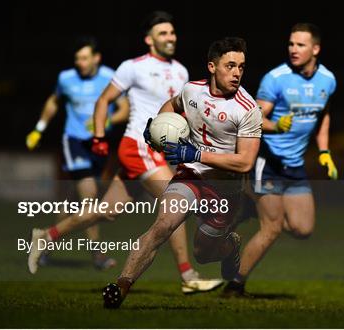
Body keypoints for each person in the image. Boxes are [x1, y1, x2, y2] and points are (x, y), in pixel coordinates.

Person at [27, 11, 222, 294]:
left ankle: (46, 236)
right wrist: (98, 136)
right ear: (149, 39)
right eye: (164, 33)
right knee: (177, 202)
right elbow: (105, 99)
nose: (171, 37)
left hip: (159, 152)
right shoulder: (133, 67)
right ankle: (188, 275)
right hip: (138, 146)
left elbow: (180, 113)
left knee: (106, 212)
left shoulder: (181, 71)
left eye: (172, 32)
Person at [101, 36, 263, 309]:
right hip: (190, 177)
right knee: (162, 226)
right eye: (230, 65)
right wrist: (157, 128)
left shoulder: (248, 109)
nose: (237, 73)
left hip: (225, 190)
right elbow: (172, 107)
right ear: (212, 67)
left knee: (203, 253)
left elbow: (245, 162)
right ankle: (121, 285)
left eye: (241, 67)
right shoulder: (192, 91)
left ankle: (230, 246)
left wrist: (198, 154)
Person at [222, 23, 338, 296]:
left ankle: (250, 208)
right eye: (291, 44)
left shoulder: (328, 80)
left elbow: (324, 115)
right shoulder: (276, 78)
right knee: (272, 227)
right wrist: (277, 126)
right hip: (268, 161)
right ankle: (235, 286)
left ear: (316, 49)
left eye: (300, 45)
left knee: (303, 229)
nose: (293, 49)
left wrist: (324, 152)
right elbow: (254, 121)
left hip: (294, 165)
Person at [25, 36, 129, 270]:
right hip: (73, 143)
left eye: (84, 58)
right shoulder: (66, 78)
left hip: (98, 144)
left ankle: (43, 245)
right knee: (89, 195)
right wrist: (38, 129)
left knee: (72, 202)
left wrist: (106, 120)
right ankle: (98, 255)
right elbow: (53, 101)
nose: (80, 63)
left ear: (96, 58)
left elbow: (125, 109)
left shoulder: (109, 77)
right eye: (77, 59)